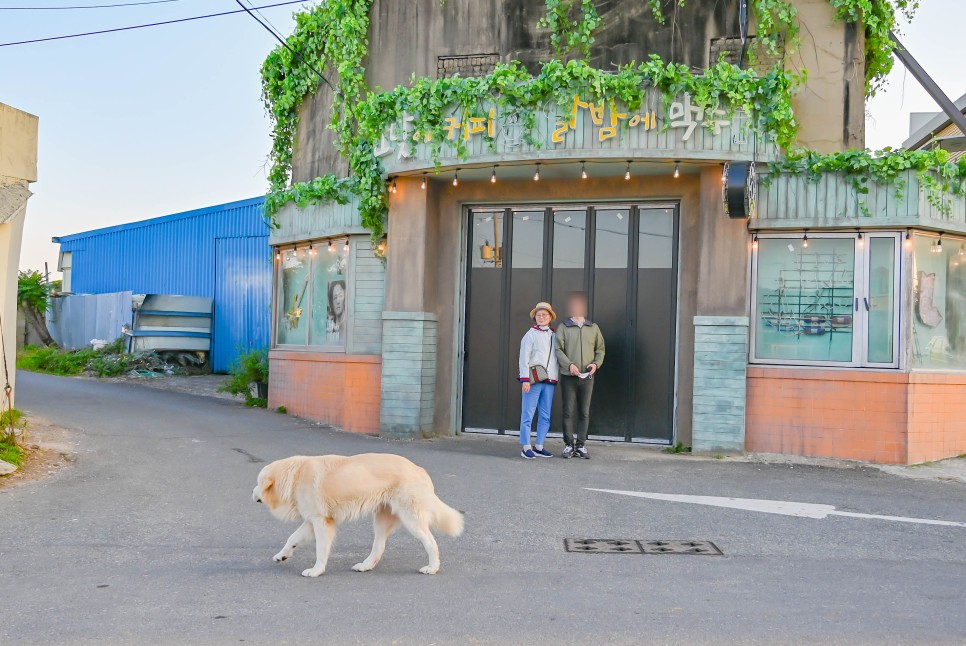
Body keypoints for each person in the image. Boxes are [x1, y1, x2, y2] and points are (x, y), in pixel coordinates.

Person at [555, 292, 605, 459]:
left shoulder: (593, 327)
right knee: (568, 411)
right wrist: (569, 365)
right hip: (569, 377)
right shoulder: (563, 327)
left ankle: (581, 445)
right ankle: (569, 445)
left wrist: (595, 364)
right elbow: (558, 350)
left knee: (584, 412)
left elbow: (600, 349)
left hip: (587, 378)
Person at [517, 302, 559, 460]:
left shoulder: (554, 336)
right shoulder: (530, 335)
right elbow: (523, 358)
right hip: (533, 381)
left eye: (545, 315)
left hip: (549, 381)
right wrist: (525, 379)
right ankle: (526, 446)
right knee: (528, 413)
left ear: (550, 317)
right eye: (539, 315)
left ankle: (539, 446)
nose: (541, 317)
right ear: (535, 317)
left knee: (545, 415)